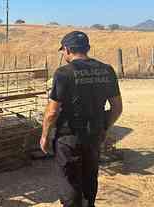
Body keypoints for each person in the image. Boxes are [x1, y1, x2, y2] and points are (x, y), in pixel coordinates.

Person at [40, 31, 123, 207]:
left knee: (70, 182)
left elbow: (52, 112)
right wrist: (104, 128)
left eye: (63, 50)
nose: (63, 54)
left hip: (68, 137)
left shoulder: (64, 73)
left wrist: (45, 136)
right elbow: (117, 108)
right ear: (87, 48)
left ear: (68, 49)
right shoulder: (107, 70)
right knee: (90, 176)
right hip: (94, 135)